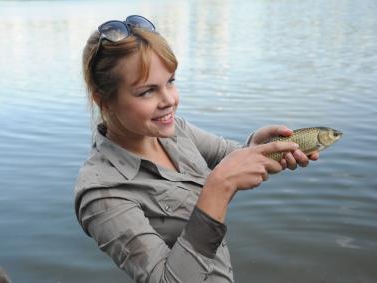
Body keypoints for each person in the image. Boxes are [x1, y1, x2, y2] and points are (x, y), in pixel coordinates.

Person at [74, 15, 319, 283]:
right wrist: (218, 187)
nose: (169, 100)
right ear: (104, 101)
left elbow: (231, 158)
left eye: (170, 81)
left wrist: (259, 148)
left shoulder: (173, 130)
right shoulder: (101, 194)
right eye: (147, 91)